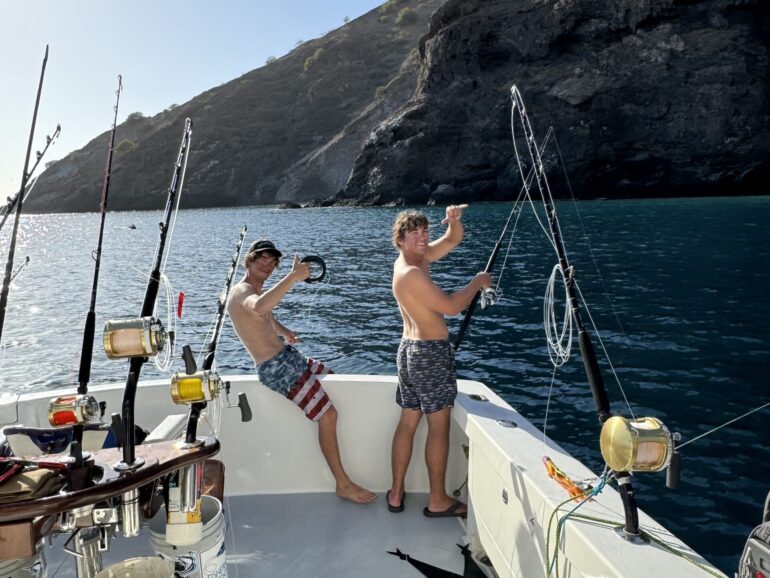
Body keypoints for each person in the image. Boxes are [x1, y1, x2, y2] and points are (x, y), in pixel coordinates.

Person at [227, 239, 376, 504]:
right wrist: (293, 277)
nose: (268, 264)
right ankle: (343, 484)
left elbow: (266, 317)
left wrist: (285, 332)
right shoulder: (242, 291)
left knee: (331, 375)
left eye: (273, 262)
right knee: (328, 415)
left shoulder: (255, 290)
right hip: (277, 368)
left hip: (288, 358)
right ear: (248, 260)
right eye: (263, 259)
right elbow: (259, 307)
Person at [387, 205, 491, 518]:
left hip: (409, 350)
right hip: (429, 355)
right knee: (438, 428)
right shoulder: (412, 273)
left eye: (424, 231)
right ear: (400, 240)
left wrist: (455, 221)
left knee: (408, 422)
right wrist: (476, 283)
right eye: (413, 233)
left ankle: (395, 493)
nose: (422, 237)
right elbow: (450, 307)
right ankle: (437, 501)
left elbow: (451, 241)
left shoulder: (414, 259)